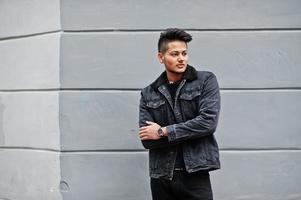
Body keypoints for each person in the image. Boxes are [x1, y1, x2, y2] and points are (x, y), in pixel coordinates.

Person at [138, 28, 221, 200]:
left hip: (195, 174)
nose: (181, 58)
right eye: (175, 54)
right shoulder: (149, 93)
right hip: (161, 177)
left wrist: (163, 131)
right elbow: (147, 140)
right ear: (161, 57)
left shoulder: (205, 81)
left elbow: (208, 123)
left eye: (184, 53)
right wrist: (190, 130)